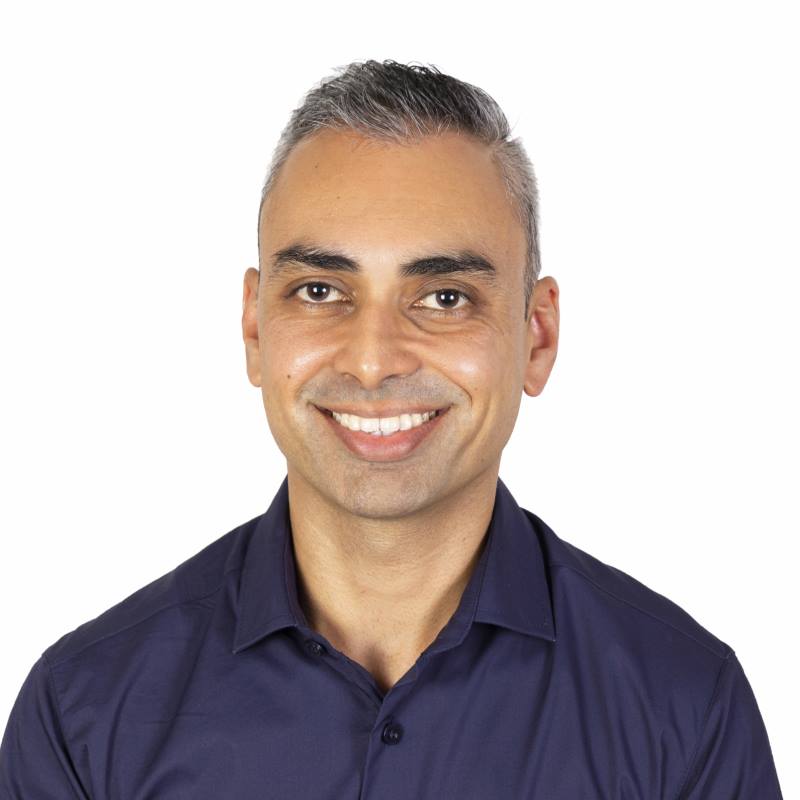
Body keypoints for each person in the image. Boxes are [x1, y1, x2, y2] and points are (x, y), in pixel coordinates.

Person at [0, 59, 783, 799]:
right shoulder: (84, 716)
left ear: (536, 337)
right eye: (319, 290)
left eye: (445, 298)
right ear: (255, 330)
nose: (373, 362)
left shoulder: (685, 710)